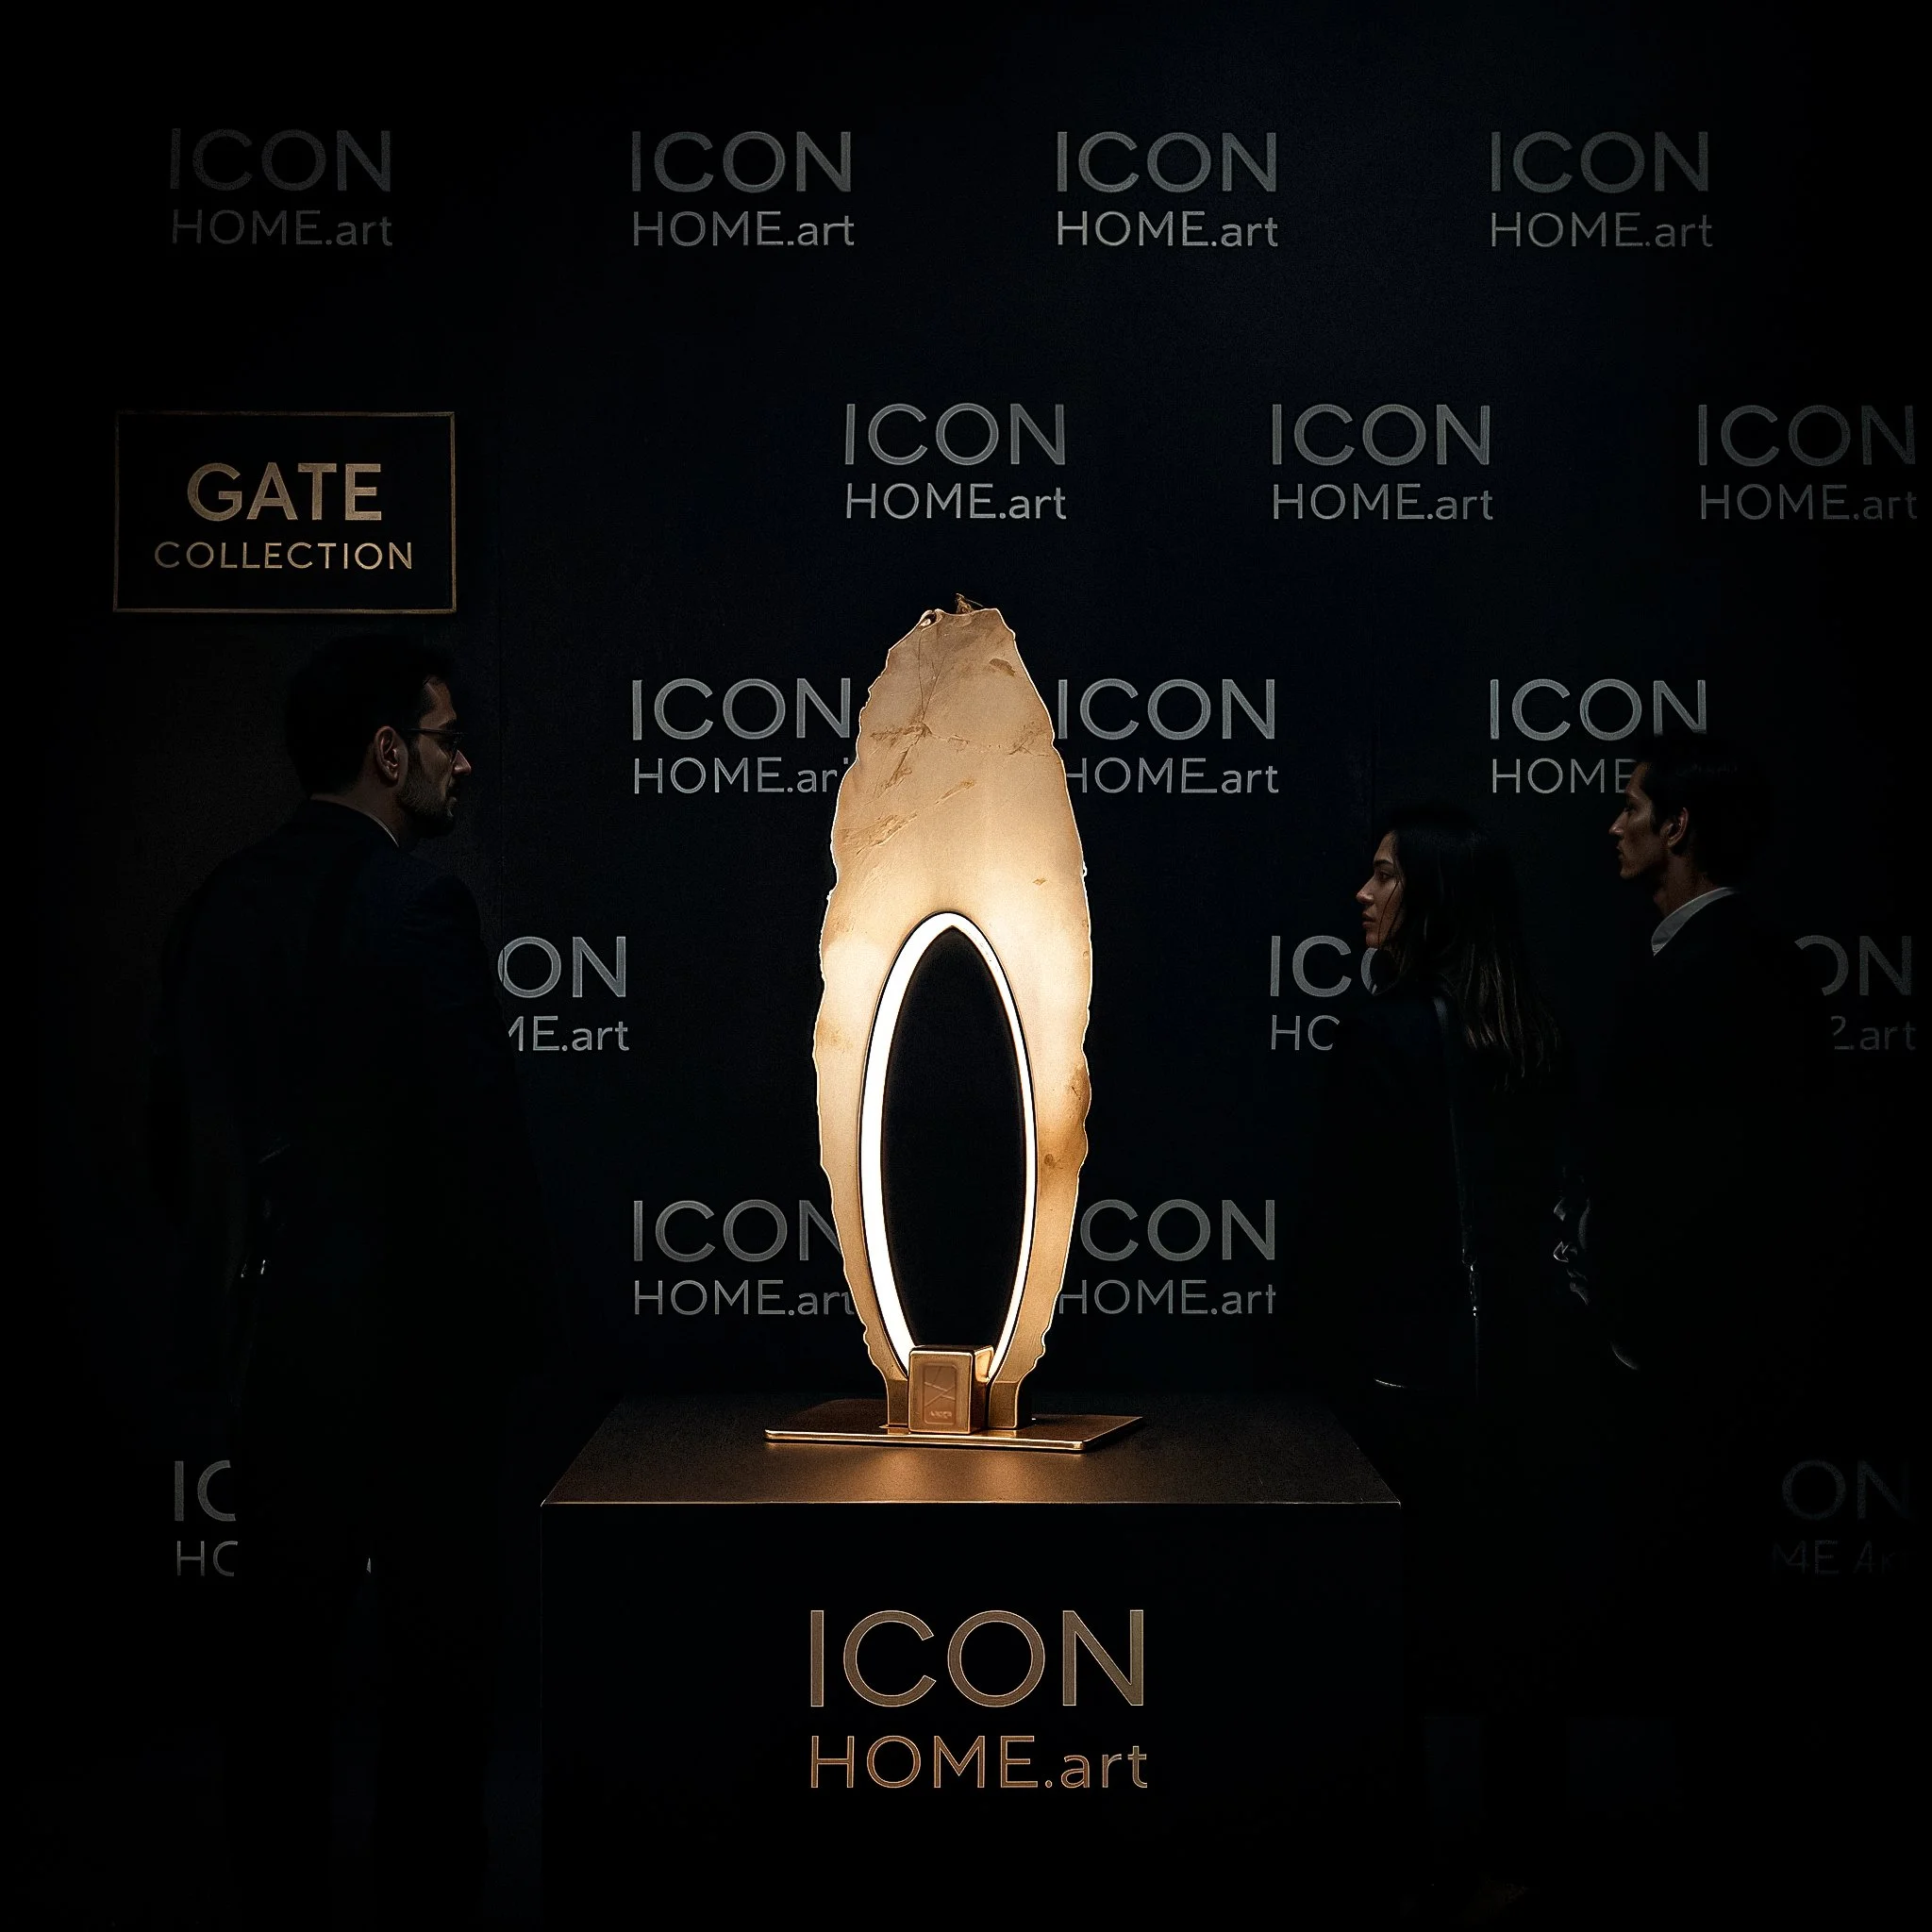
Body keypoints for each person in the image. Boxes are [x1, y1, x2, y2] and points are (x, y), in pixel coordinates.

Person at [150, 637, 545, 1927]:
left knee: (278, 1671)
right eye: (445, 737)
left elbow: (181, 1140)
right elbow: (474, 1151)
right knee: (437, 1670)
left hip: (272, 1356)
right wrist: (503, 1336)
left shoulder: (217, 902)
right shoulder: (415, 904)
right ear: (388, 751)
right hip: (417, 1363)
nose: (461, 762)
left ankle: (278, 1919)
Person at [1305, 802, 1573, 1908]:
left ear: (1431, 895)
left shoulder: (1383, 1034)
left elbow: (1340, 1224)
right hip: (1523, 1378)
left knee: (1391, 1628)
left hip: (1407, 1383)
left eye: (1383, 876)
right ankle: (1519, 1853)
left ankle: (1397, 1861)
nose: (1361, 895)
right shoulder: (1531, 1036)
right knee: (1516, 1630)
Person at [1592, 732, 1829, 1875]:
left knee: (1711, 1604)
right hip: (1712, 1347)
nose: (1613, 824)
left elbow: (1706, 1179)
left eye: (1630, 804)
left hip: (1698, 1355)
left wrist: (1640, 1326)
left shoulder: (1718, 968)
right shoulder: (1736, 958)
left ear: (1677, 825)